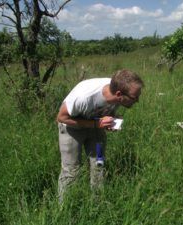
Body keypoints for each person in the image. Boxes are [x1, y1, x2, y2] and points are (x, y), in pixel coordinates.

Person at [56, 69, 144, 202]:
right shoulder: (84, 98)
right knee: (71, 170)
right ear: (119, 94)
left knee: (99, 163)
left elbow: (107, 111)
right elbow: (61, 117)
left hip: (96, 126)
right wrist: (97, 124)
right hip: (71, 128)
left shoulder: (117, 89)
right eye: (134, 97)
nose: (137, 101)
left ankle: (97, 202)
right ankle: (64, 207)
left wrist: (112, 120)